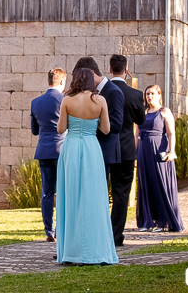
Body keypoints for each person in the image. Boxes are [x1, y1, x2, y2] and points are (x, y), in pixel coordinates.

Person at [55, 68, 118, 265]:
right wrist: (92, 123)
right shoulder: (100, 101)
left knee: (71, 196)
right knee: (93, 197)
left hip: (72, 148)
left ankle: (72, 252)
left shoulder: (67, 100)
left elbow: (60, 129)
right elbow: (106, 129)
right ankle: (95, 250)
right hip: (91, 148)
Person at [108, 54, 147, 246]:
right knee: (121, 194)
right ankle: (115, 235)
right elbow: (141, 120)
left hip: (104, 149)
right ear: (126, 69)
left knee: (99, 191)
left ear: (110, 69)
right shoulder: (135, 95)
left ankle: (100, 233)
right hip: (125, 149)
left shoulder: (101, 93)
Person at [135, 84, 184, 233]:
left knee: (160, 184)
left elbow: (171, 133)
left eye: (152, 93)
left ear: (159, 95)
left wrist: (171, 151)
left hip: (159, 150)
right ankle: (147, 221)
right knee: (146, 184)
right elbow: (136, 134)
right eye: (147, 94)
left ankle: (163, 221)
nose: (149, 96)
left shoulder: (164, 111)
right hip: (143, 150)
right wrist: (135, 154)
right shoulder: (142, 112)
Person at [31, 68, 67, 242]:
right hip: (62, 149)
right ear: (61, 82)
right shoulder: (65, 100)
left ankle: (48, 231)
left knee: (47, 192)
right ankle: (61, 228)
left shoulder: (36, 102)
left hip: (44, 150)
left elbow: (34, 130)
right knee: (63, 191)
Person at [72, 57, 123, 177]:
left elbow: (117, 125)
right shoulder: (87, 92)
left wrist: (90, 121)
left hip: (104, 152)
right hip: (88, 150)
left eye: (82, 78)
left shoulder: (113, 91)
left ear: (92, 73)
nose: (81, 83)